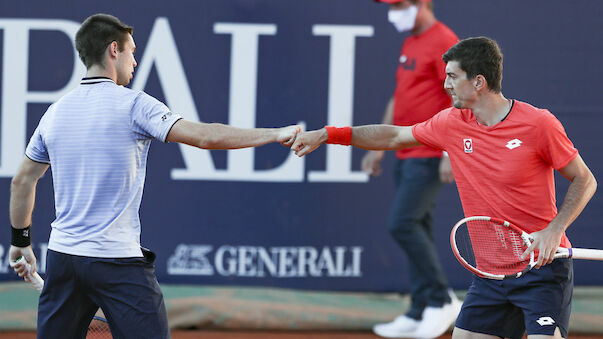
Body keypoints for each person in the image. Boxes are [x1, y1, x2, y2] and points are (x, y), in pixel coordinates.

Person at [9, 13, 300, 339]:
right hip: (117, 263)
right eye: (132, 51)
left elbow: (23, 181)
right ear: (113, 50)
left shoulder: (55, 113)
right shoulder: (134, 104)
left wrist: (21, 242)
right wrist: (275, 134)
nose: (135, 60)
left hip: (65, 261)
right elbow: (205, 137)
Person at [291, 36, 597, 339]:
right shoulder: (451, 123)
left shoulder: (539, 124)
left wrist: (555, 229)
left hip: (542, 272)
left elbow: (585, 179)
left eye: (452, 76)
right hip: (491, 274)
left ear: (479, 82)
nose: (445, 83)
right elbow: (393, 136)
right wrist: (329, 134)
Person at [364, 1, 460, 337]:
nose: (393, 12)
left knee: (402, 223)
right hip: (404, 152)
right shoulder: (410, 41)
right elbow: (400, 96)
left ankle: (441, 299)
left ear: (423, 4)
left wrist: (450, 151)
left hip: (430, 151)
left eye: (400, 5)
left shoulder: (444, 40)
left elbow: (458, 98)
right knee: (417, 225)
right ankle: (421, 308)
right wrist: (380, 144)